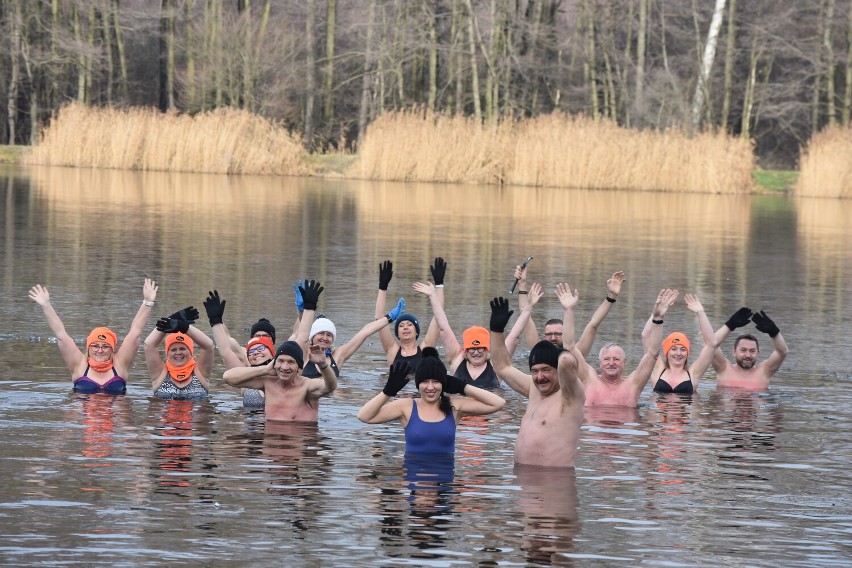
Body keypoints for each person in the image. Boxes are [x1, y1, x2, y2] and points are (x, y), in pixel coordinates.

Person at [488, 293, 585, 468]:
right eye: (535, 371)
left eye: (546, 370)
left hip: (554, 484)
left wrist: (568, 311)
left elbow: (567, 362)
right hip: (523, 482)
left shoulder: (571, 395)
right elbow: (502, 367)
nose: (540, 377)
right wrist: (496, 331)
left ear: (558, 370)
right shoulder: (533, 388)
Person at [356, 347, 506, 455]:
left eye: (436, 381)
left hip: (444, 486)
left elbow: (498, 403)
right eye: (425, 382)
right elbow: (364, 416)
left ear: (443, 383)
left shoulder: (454, 405)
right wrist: (387, 392)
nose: (430, 387)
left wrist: (464, 386)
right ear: (418, 384)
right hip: (415, 483)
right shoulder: (406, 406)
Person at [202, 282, 324, 408]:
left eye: (261, 348)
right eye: (251, 351)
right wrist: (215, 322)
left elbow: (302, 338)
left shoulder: (286, 370)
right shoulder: (246, 376)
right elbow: (226, 352)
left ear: (272, 352)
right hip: (251, 425)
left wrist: (309, 308)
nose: (256, 352)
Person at [27, 279, 159, 394]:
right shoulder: (79, 364)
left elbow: (135, 332)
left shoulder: (120, 364)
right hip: (85, 420)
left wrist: (147, 302)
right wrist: (46, 305)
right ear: (89, 347)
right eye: (95, 345)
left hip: (113, 418)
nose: (100, 350)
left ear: (112, 349)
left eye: (105, 346)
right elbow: (61, 335)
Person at [412, 279, 544, 388]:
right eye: (472, 348)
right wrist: (432, 296)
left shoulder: (497, 365)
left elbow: (514, 336)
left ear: (487, 349)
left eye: (480, 347)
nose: (476, 352)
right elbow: (443, 327)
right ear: (465, 350)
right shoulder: (457, 360)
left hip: (488, 418)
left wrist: (529, 306)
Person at [571, 287, 678, 407]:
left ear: (624, 362)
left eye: (616, 359)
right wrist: (568, 310)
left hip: (627, 424)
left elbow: (653, 352)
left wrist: (658, 319)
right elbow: (570, 347)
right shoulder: (589, 379)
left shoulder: (633, 383)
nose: (611, 363)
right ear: (600, 362)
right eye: (607, 359)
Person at [512, 266, 625, 358]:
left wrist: (612, 296)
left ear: (566, 333)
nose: (553, 338)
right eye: (549, 334)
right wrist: (522, 285)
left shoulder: (576, 354)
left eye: (558, 334)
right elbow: (525, 320)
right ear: (543, 336)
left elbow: (593, 324)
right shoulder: (538, 350)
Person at [222, 340, 337, 422]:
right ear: (274, 363)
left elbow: (330, 386)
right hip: (271, 449)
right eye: (280, 361)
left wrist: (323, 364)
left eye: (291, 362)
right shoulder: (267, 382)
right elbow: (228, 377)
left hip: (299, 444)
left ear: (299, 368)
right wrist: (265, 369)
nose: (285, 367)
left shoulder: (306, 386)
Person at [374, 258, 443, 373]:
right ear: (397, 334)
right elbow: (379, 319)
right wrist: (382, 286)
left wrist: (439, 285)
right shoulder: (392, 350)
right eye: (401, 326)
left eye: (409, 324)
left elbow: (439, 316)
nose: (405, 327)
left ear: (416, 331)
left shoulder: (426, 349)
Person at [650, 293, 718, 394]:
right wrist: (657, 316)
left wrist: (701, 313)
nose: (678, 353)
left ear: (687, 353)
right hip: (659, 410)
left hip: (685, 410)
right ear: (666, 352)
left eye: (683, 349)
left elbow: (711, 344)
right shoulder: (658, 369)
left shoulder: (693, 373)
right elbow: (649, 342)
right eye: (673, 349)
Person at [143, 307, 215, 400]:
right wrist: (171, 319)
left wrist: (185, 327)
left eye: (182, 348)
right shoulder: (161, 373)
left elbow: (209, 346)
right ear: (167, 353)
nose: (178, 353)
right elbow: (149, 345)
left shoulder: (200, 372)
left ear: (190, 351)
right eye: (173, 350)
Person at [710, 307, 789, 390]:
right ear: (734, 351)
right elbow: (711, 344)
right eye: (743, 350)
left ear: (758, 353)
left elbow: (782, 352)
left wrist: (774, 332)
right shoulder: (723, 368)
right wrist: (730, 325)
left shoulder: (764, 371)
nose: (748, 355)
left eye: (752, 351)